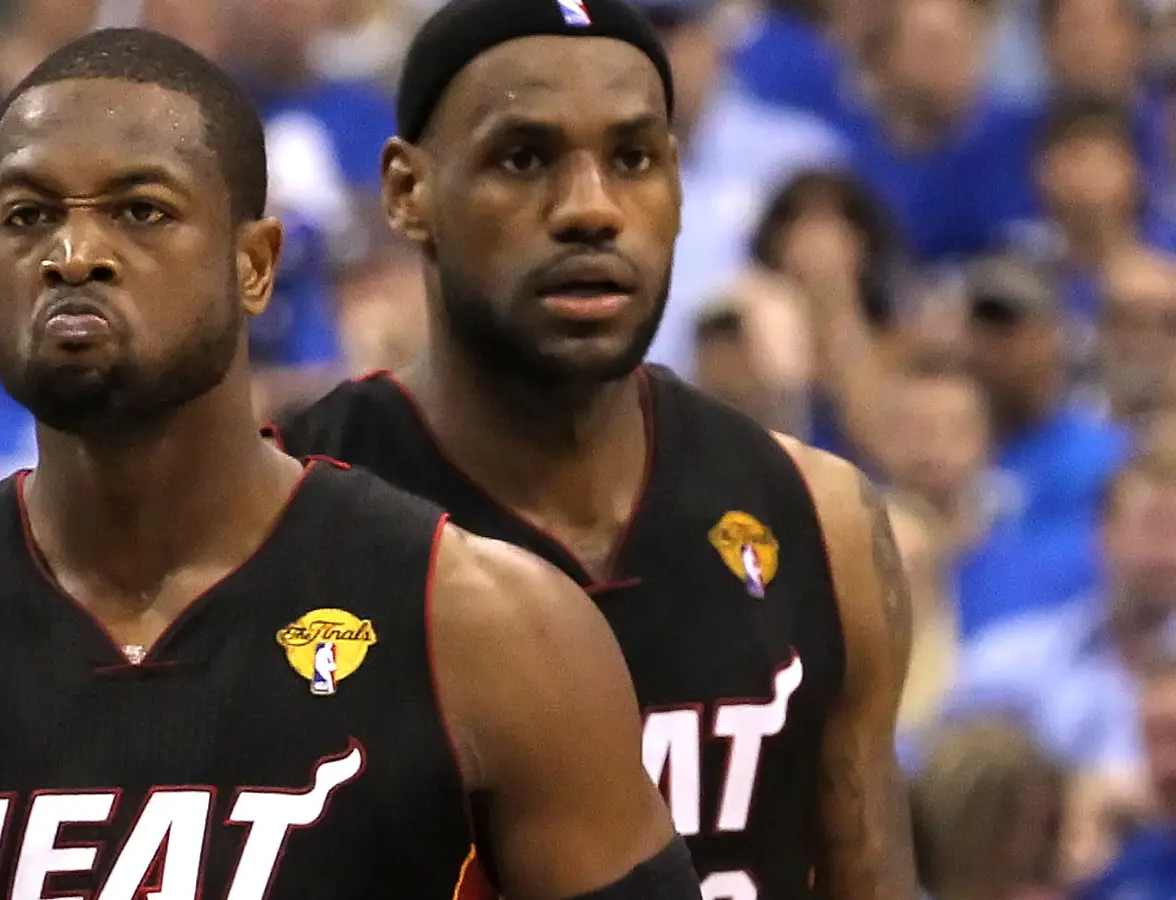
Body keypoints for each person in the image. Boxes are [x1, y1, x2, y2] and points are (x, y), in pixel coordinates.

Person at [0, 27, 700, 900]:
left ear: (255, 264)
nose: (72, 253)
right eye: (28, 216)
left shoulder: (492, 629)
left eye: (139, 212)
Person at [267, 1, 918, 898]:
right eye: (524, 157)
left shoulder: (821, 519)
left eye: (634, 159)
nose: (590, 209)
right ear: (407, 193)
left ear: (679, 189)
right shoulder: (276, 512)